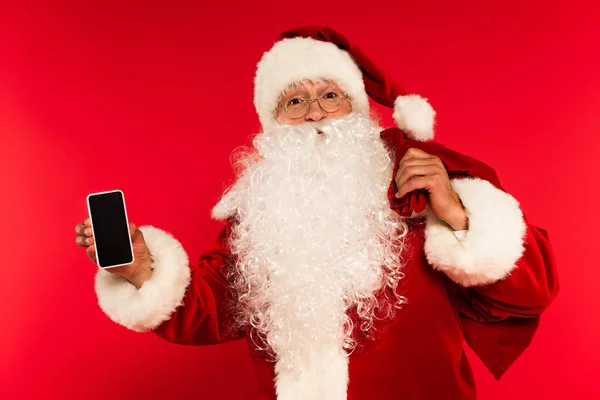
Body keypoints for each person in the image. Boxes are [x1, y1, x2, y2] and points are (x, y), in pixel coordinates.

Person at [74, 26, 559, 400]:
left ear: (357, 107)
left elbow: (531, 290)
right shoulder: (260, 211)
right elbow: (211, 311)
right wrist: (141, 271)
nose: (314, 114)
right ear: (272, 120)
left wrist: (456, 213)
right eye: (294, 101)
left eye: (330, 95)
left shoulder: (420, 181)